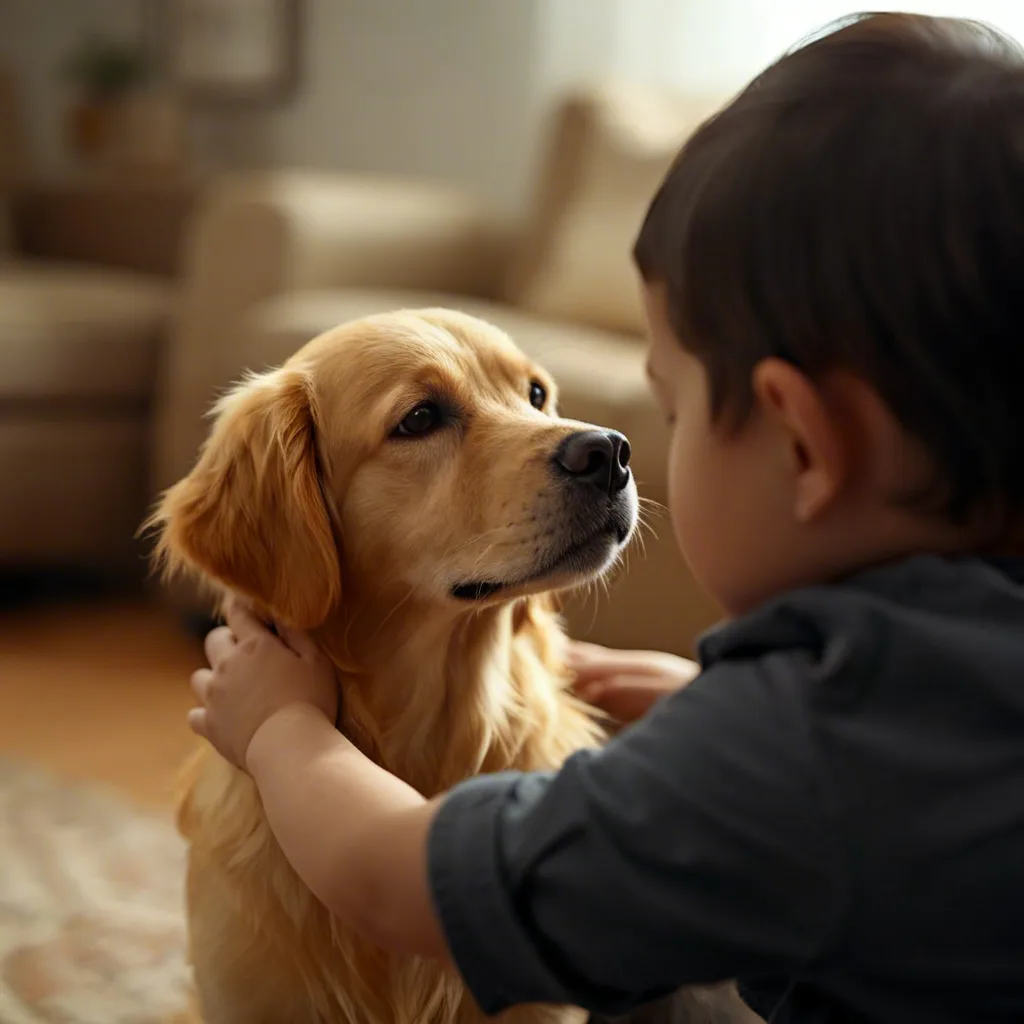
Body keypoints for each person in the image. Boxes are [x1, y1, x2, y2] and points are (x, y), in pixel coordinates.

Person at [185, 12, 1024, 1023]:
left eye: (666, 407)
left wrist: (282, 730)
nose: (584, 441)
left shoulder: (779, 756)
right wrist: (709, 719)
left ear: (802, 443)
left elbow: (402, 883)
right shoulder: (907, 694)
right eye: (425, 419)